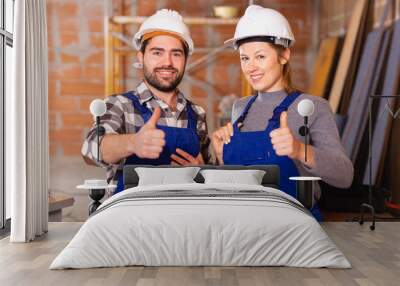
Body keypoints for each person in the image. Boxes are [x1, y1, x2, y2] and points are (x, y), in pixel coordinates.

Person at [211, 5, 354, 220]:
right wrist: (221, 158)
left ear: (284, 55)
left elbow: (345, 176)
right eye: (244, 58)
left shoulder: (313, 106)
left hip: (295, 229)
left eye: (260, 56)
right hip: (241, 223)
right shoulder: (240, 108)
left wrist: (298, 150)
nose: (250, 67)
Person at [82, 9, 210, 194]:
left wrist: (201, 170)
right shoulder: (119, 105)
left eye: (176, 54)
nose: (167, 62)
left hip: (183, 215)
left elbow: (210, 175)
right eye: (157, 52)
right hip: (131, 218)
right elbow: (91, 149)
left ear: (185, 60)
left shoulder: (197, 113)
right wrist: (133, 143)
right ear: (141, 58)